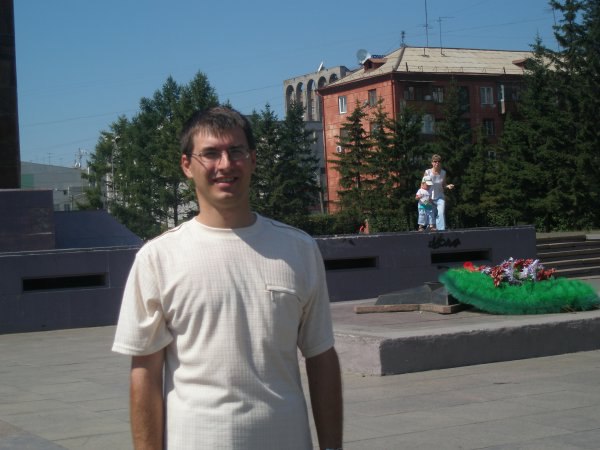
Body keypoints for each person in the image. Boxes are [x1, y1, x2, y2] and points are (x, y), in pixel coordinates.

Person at [112, 106, 343, 450]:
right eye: (210, 153)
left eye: (236, 151)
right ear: (187, 165)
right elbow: (144, 372)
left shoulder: (298, 250)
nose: (225, 164)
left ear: (252, 159)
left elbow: (321, 355)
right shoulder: (158, 259)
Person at [423, 154, 455, 231]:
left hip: (440, 197)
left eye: (439, 161)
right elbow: (423, 186)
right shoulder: (427, 172)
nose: (437, 163)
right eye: (435, 161)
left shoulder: (443, 173)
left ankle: (441, 231)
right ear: (432, 163)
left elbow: (444, 185)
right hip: (429, 198)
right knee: (430, 215)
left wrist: (448, 186)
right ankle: (429, 228)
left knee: (440, 213)